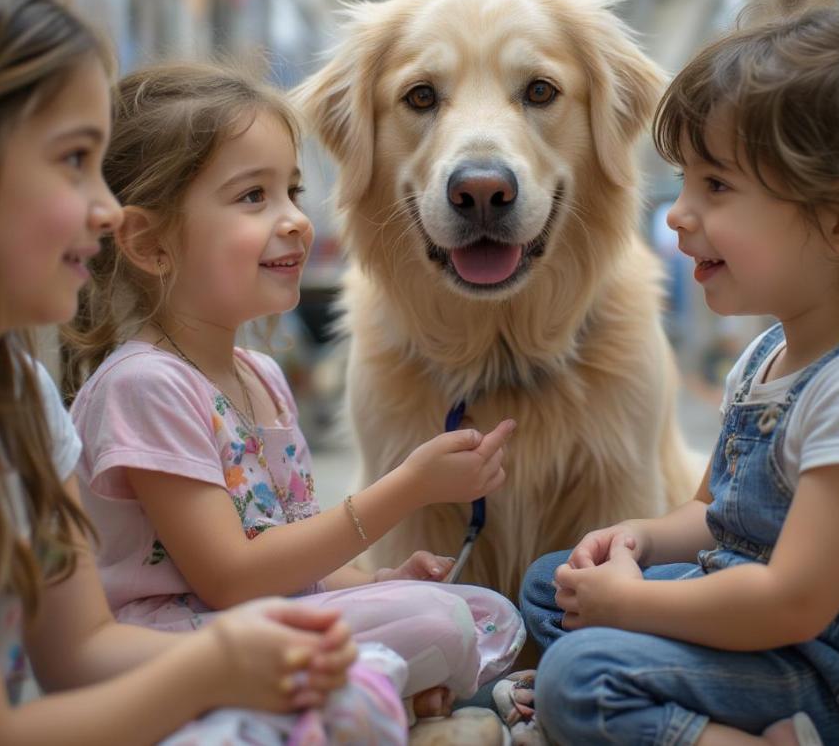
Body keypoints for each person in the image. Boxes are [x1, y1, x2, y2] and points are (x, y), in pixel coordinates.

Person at [0, 0, 408, 746]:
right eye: (74, 160)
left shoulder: (22, 396)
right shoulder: (141, 383)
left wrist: (266, 662)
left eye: (291, 192)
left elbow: (78, 649)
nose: (105, 208)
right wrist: (218, 666)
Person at [63, 59, 524, 729]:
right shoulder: (145, 385)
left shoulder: (263, 378)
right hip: (181, 640)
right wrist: (407, 489)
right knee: (443, 625)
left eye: (293, 191)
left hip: (262, 615)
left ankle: (364, 689)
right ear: (150, 242)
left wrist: (373, 583)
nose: (294, 222)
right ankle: (361, 693)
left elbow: (287, 545)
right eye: (254, 197)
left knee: (485, 613)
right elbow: (229, 577)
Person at [514, 4, 839, 746]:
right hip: (747, 607)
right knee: (550, 584)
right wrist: (641, 542)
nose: (678, 215)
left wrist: (632, 609)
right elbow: (714, 516)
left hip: (832, 664)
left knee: (579, 677)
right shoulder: (767, 354)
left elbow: (794, 602)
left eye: (715, 186)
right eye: (685, 182)